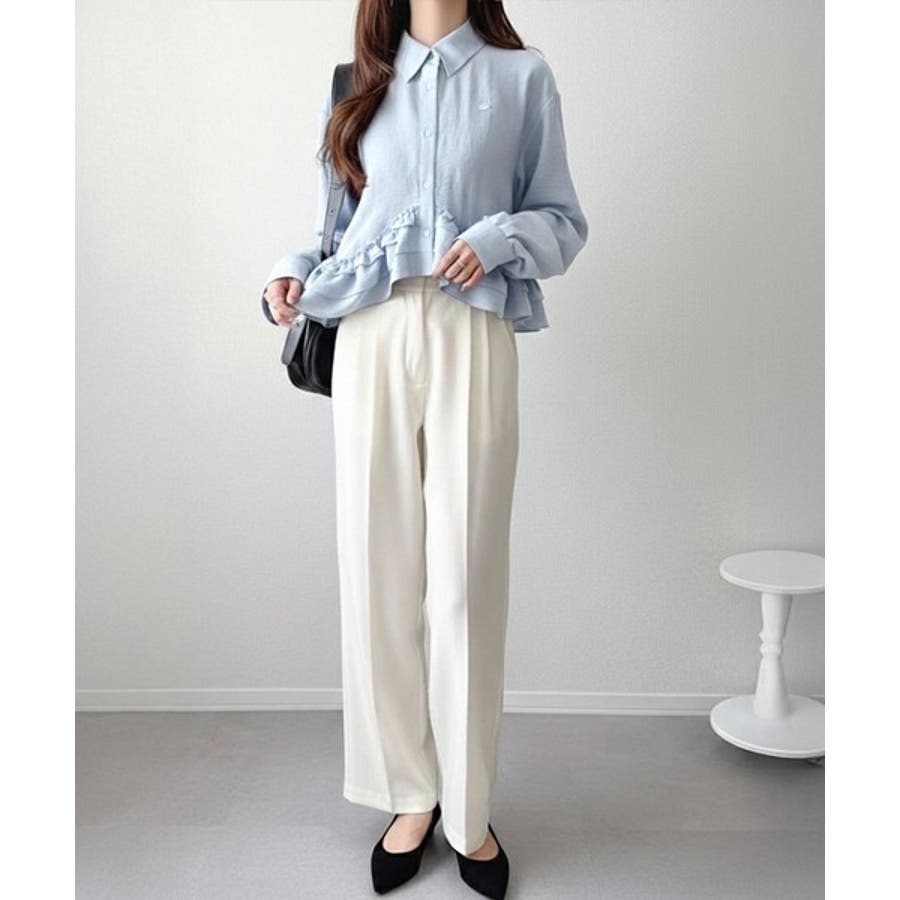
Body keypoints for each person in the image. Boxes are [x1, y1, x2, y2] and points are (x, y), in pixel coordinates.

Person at [262, 1, 588, 896]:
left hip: (471, 328)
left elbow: (563, 220)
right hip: (368, 332)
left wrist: (497, 238)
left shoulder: (522, 79)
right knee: (378, 569)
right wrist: (289, 274)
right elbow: (335, 229)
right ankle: (408, 794)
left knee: (467, 577)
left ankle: (468, 809)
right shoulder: (356, 83)